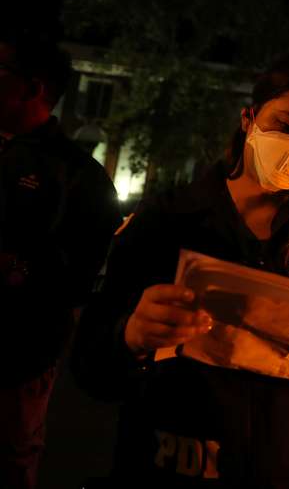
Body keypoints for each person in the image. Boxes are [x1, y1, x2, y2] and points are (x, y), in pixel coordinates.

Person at [71, 52, 289, 488]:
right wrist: (131, 336)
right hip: (175, 466)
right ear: (249, 118)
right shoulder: (167, 219)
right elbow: (90, 367)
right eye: (286, 126)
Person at [0, 32, 123, 488]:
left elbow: (80, 280)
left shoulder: (77, 177)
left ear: (35, 88)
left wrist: (19, 269)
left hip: (16, 362)